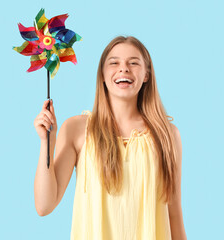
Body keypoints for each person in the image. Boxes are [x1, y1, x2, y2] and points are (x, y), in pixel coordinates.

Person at [33, 35, 187, 240]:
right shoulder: (76, 130)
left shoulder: (167, 135)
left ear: (147, 74)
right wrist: (47, 143)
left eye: (133, 63)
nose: (123, 68)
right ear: (103, 75)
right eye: (114, 63)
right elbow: (45, 205)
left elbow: (174, 214)